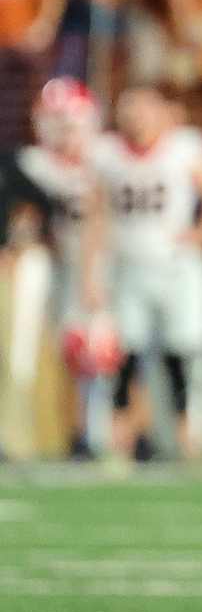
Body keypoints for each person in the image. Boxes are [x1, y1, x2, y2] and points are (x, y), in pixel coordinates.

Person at [85, 85, 202, 460]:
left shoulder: (184, 148)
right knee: (126, 356)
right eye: (129, 108)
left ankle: (186, 440)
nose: (136, 116)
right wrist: (91, 271)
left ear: (162, 112)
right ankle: (121, 440)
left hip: (175, 267)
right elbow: (97, 215)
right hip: (129, 267)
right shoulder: (107, 153)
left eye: (143, 108)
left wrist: (198, 237)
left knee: (179, 355)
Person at [14, 79, 105, 457]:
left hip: (94, 268)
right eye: (56, 122)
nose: (64, 132)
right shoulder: (31, 163)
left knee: (91, 353)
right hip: (44, 265)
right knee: (34, 349)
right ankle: (36, 434)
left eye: (70, 122)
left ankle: (89, 433)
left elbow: (104, 218)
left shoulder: (103, 160)